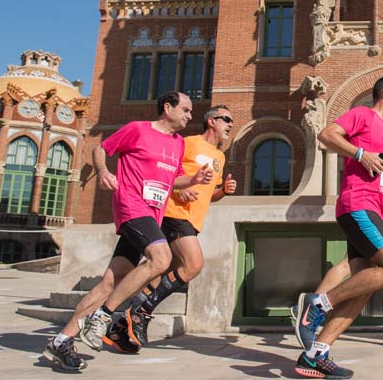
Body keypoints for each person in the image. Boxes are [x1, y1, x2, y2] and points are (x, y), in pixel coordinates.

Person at [41, 92, 213, 370]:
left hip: (152, 216)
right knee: (161, 258)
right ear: (167, 108)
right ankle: (104, 315)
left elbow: (173, 179)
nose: (190, 115)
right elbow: (102, 149)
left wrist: (192, 180)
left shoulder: (178, 144)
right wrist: (104, 172)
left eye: (191, 112)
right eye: (186, 109)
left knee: (110, 280)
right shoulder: (137, 129)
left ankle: (62, 340)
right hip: (132, 206)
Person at [292, 75, 383, 379]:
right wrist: (359, 153)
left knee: (365, 287)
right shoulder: (362, 115)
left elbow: (378, 171)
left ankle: (315, 354)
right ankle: (318, 302)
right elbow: (327, 135)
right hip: (357, 206)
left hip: (376, 208)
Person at [290, 117, 383, 346]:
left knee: (374, 274)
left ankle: (318, 345)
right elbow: (331, 138)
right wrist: (368, 156)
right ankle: (315, 304)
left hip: (380, 209)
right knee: (372, 266)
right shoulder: (369, 126)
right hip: (363, 207)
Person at [103, 105, 238, 352]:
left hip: (193, 220)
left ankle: (120, 327)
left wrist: (223, 192)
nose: (231, 124)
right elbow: (164, 171)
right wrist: (179, 189)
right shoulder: (188, 143)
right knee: (194, 264)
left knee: (158, 276)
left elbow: (209, 195)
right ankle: (140, 312)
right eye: (227, 119)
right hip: (173, 213)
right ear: (211, 121)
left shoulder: (219, 157)